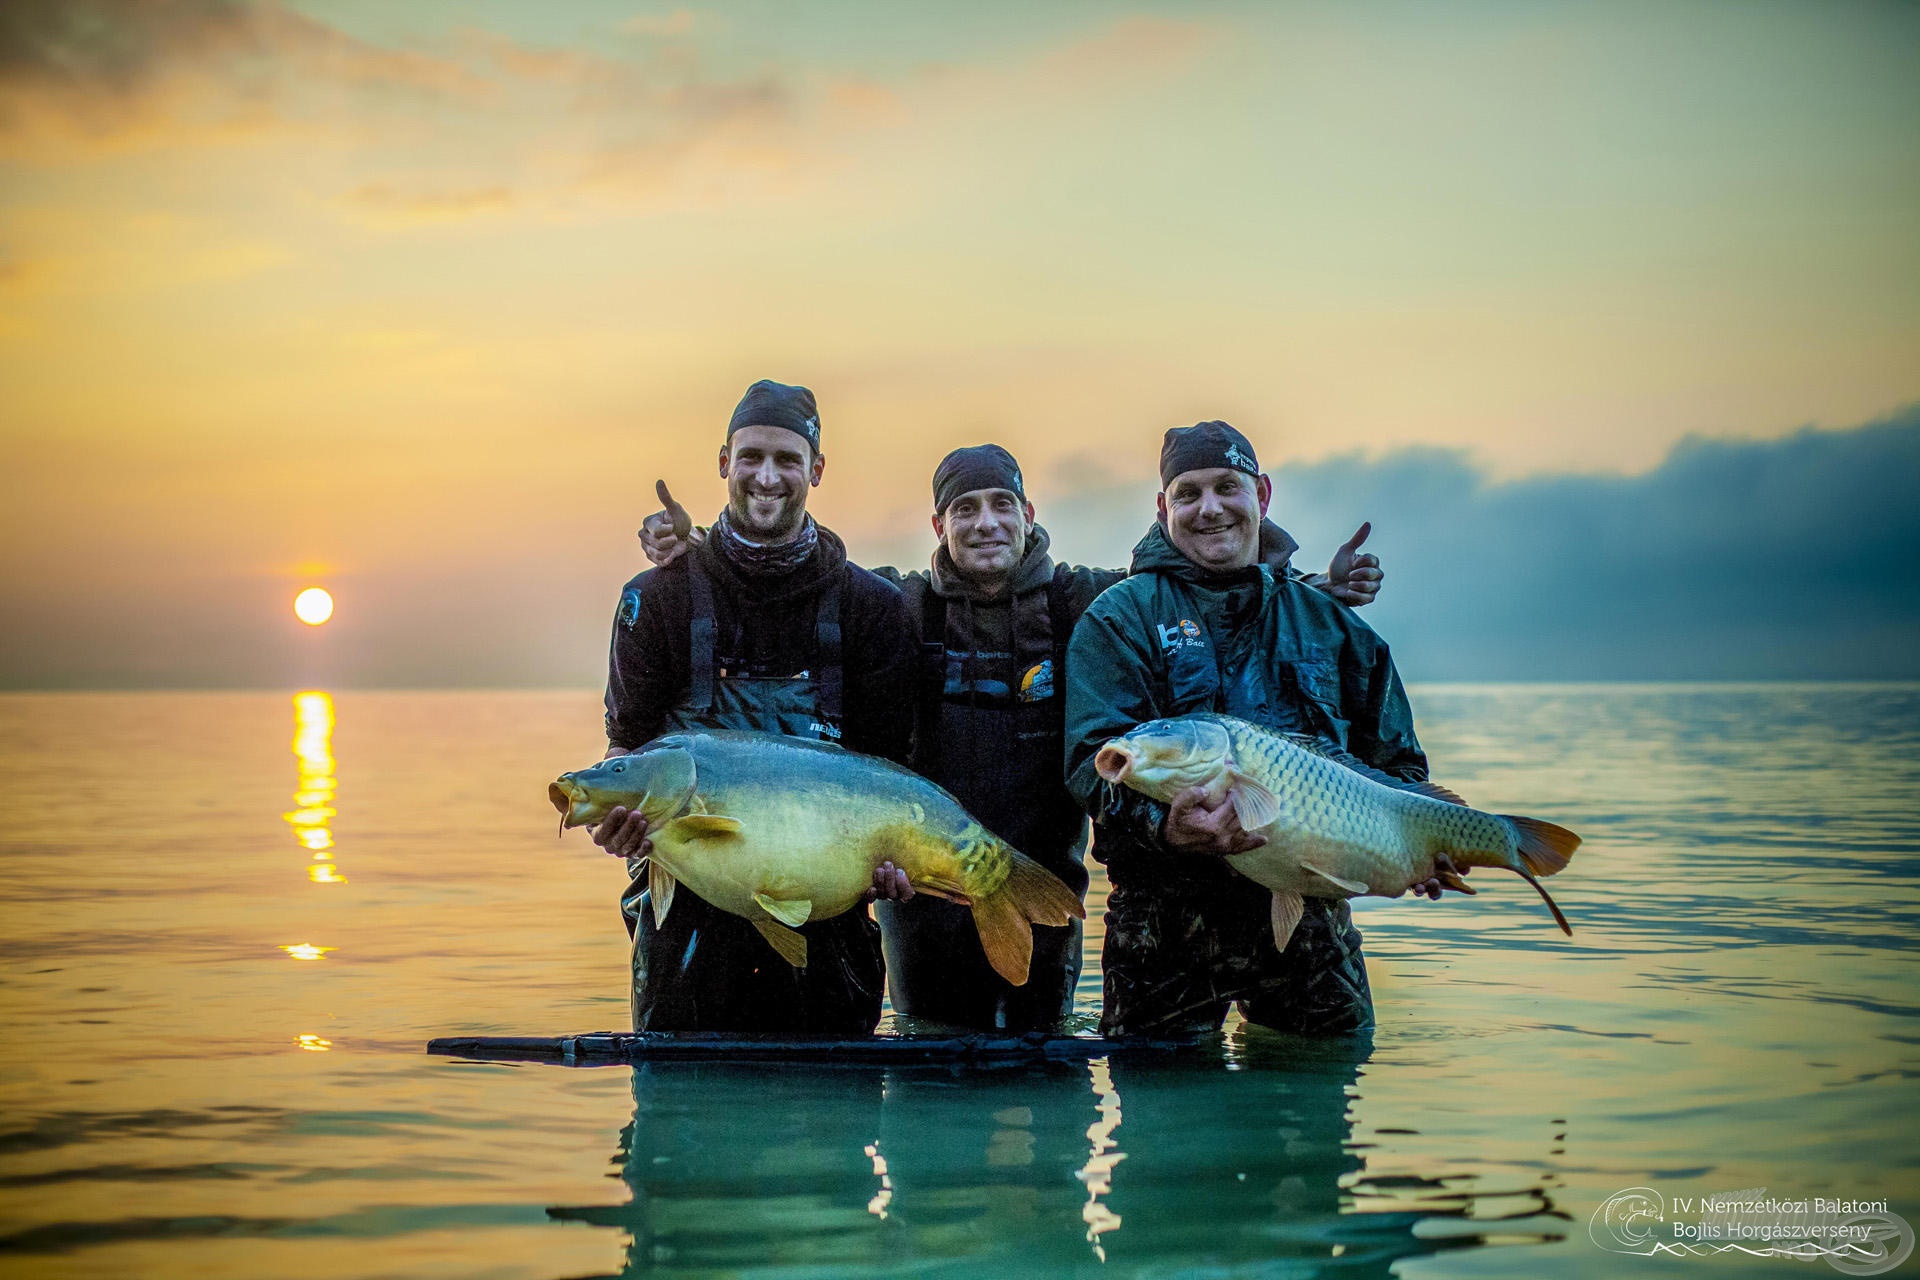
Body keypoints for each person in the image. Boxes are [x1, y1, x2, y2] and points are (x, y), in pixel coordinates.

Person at [637, 442, 1401, 1031]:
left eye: (1002, 504)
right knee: (928, 1053)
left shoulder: (1083, 599)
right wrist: (702, 544)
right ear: (939, 525)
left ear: (1029, 513)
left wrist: (1308, 587)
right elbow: (798, 578)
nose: (986, 523)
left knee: (1041, 1055)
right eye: (965, 509)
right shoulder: (897, 605)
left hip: (1042, 876)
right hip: (919, 892)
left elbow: (1197, 573)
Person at [1063, 421, 1465, 1038]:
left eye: (1228, 486)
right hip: (1161, 929)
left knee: (1321, 1094)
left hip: (1310, 928)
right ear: (1163, 506)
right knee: (1163, 1118)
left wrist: (1415, 843)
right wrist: (1164, 828)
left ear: (1263, 494)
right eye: (1189, 493)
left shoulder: (1330, 623)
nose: (1210, 508)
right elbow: (1091, 765)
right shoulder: (1120, 617)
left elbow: (1400, 768)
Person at [589, 379, 917, 1034]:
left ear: (816, 470)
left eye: (788, 460)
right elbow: (623, 752)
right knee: (676, 1127)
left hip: (827, 924)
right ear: (723, 463)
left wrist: (896, 862)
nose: (767, 477)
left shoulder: (872, 609)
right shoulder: (655, 601)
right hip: (683, 922)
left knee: (833, 1125)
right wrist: (613, 820)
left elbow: (889, 771)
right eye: (752, 457)